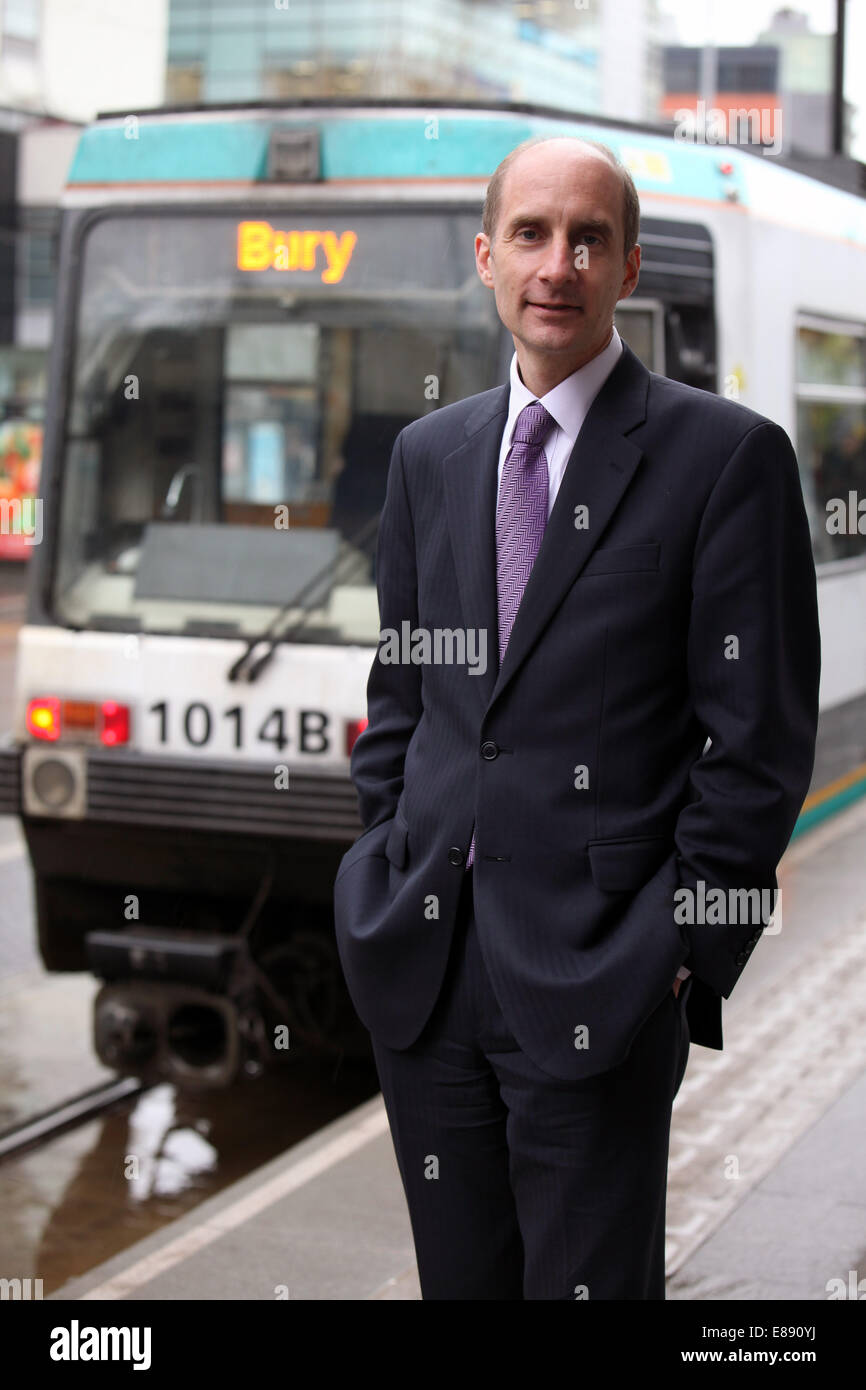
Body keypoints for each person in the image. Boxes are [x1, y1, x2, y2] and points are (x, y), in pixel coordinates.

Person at [333, 136, 821, 1299]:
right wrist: (375, 866)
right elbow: (402, 698)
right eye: (534, 235)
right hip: (426, 967)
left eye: (588, 238)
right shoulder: (427, 455)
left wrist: (677, 952)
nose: (558, 263)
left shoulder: (724, 459)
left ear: (627, 266)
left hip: (601, 979)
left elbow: (756, 750)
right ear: (486, 257)